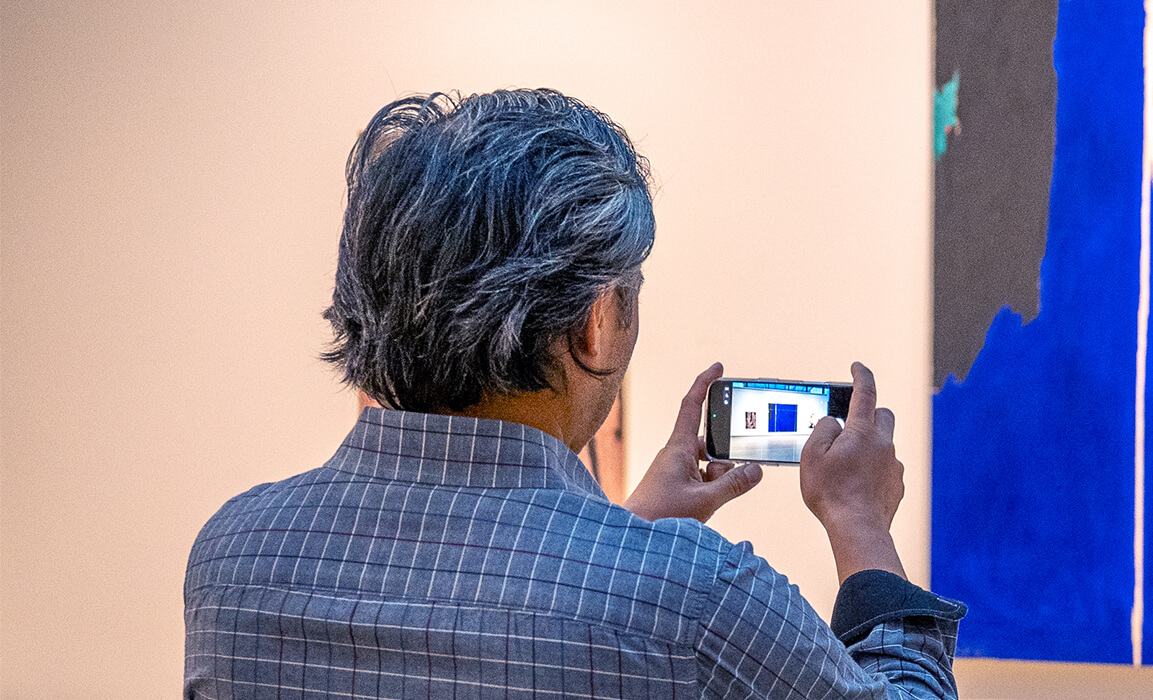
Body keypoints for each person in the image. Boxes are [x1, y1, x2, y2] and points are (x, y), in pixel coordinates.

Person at [183, 88, 965, 699]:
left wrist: (622, 534)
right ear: (595, 324)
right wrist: (860, 522)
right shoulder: (699, 596)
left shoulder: (234, 556)